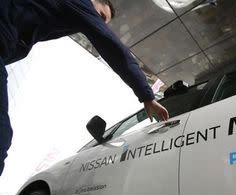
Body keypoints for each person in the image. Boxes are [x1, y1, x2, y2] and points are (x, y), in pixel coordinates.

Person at [0, 0, 169, 177]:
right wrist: (147, 96)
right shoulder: (81, 3)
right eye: (101, 16)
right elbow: (113, 48)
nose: (99, 22)